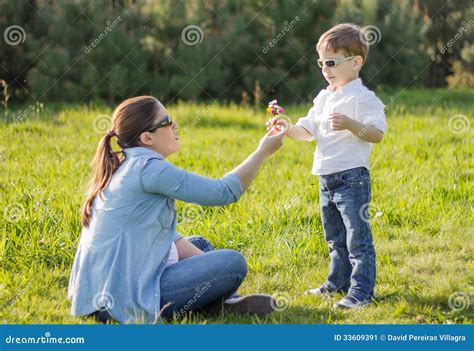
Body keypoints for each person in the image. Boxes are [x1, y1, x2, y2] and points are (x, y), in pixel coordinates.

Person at [68, 96, 288, 324]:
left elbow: (164, 235)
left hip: (103, 291)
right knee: (232, 262)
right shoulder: (149, 169)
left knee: (201, 244)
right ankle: (213, 301)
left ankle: (218, 301)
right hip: (121, 299)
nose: (175, 125)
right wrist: (263, 151)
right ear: (147, 137)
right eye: (167, 121)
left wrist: (213, 275)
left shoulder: (126, 165)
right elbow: (223, 192)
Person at [268, 23, 387, 309]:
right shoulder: (324, 97)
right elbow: (307, 132)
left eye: (332, 62)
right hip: (325, 177)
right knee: (334, 238)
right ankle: (337, 283)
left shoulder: (363, 98)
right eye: (321, 62)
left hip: (352, 178)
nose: (325, 69)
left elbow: (377, 134)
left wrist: (349, 123)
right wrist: (286, 127)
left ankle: (361, 292)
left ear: (356, 62)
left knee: (357, 238)